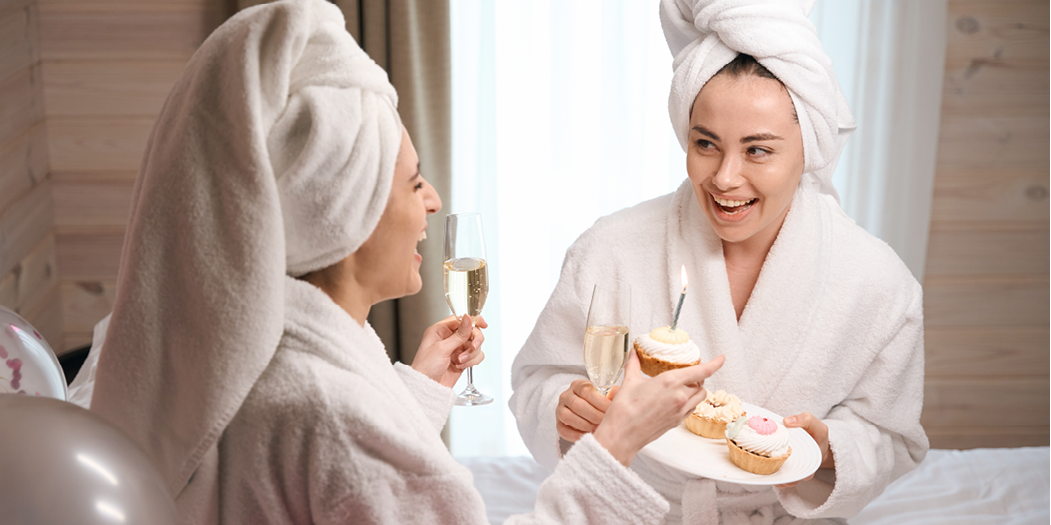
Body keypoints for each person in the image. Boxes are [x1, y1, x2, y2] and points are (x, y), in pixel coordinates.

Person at [87, 0, 725, 523]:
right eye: (414, 182)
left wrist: (415, 391)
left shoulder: (257, 338)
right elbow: (348, 447)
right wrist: (615, 447)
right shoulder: (328, 407)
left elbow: (334, 492)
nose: (434, 201)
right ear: (343, 208)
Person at [509, 1, 929, 523]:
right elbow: (538, 379)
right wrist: (563, 406)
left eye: (758, 151)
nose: (725, 178)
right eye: (706, 144)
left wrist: (828, 448)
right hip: (638, 510)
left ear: (809, 147)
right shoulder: (610, 249)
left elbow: (893, 436)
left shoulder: (878, 283)